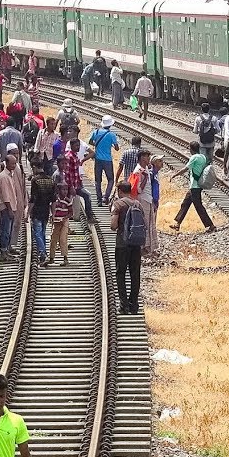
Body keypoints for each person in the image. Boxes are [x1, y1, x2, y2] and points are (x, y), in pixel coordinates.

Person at [110, 181, 146, 313]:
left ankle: (124, 305)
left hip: (122, 244)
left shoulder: (118, 204)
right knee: (134, 274)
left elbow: (113, 226)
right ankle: (134, 304)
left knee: (121, 273)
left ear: (119, 191)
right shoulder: (138, 204)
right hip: (136, 244)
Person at [169, 142, 217, 233]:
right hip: (196, 185)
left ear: (191, 149)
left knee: (198, 206)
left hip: (195, 186)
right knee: (185, 204)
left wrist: (175, 175)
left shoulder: (194, 157)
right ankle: (177, 224)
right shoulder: (203, 157)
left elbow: (185, 169)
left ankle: (211, 225)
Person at [0, 152, 27, 257]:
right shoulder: (4, 177)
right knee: (5, 230)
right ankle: (3, 252)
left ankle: (7, 250)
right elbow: (6, 196)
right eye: (12, 164)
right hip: (6, 208)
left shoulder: (10, 175)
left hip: (11, 206)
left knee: (8, 229)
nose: (14, 166)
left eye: (15, 163)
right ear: (7, 163)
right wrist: (9, 210)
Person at [29, 159, 55, 266]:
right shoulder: (50, 180)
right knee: (43, 232)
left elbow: (33, 199)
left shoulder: (35, 180)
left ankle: (42, 252)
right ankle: (44, 251)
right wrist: (53, 213)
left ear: (35, 167)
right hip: (46, 210)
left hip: (37, 210)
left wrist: (28, 212)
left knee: (37, 232)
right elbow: (53, 200)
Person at [89, 116, 120, 206]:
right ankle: (106, 197)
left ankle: (99, 199)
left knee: (98, 180)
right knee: (110, 179)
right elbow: (117, 148)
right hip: (107, 160)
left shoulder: (96, 132)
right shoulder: (111, 135)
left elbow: (91, 141)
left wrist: (97, 145)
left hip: (98, 159)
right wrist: (112, 145)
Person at [50, 181, 73, 266]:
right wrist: (52, 216)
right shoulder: (55, 200)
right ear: (58, 190)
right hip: (56, 221)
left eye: (66, 190)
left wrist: (65, 218)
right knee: (53, 239)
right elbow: (52, 209)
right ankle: (51, 257)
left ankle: (65, 258)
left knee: (63, 239)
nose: (65, 191)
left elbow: (71, 212)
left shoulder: (67, 201)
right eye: (63, 189)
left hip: (64, 221)